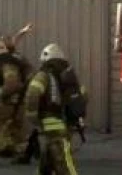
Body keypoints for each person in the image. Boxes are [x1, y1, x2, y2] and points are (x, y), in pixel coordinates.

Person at [22, 43, 88, 174]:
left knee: (63, 162)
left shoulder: (44, 75)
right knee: (48, 159)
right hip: (68, 122)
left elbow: (33, 93)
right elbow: (83, 94)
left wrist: (32, 116)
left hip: (50, 121)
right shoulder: (69, 74)